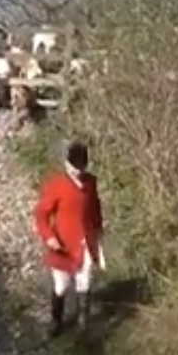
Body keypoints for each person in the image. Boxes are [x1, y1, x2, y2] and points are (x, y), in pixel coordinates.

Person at [33, 140, 105, 337]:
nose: (78, 172)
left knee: (85, 281)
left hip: (86, 242)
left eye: (81, 168)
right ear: (66, 164)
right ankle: (56, 320)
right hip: (63, 244)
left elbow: (95, 206)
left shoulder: (91, 182)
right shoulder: (57, 185)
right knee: (61, 285)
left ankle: (83, 324)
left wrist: (98, 228)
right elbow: (41, 214)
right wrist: (48, 236)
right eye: (74, 168)